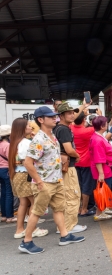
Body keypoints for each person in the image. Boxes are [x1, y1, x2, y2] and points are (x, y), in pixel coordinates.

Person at [20, 106, 85, 254]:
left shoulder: (52, 136)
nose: (54, 118)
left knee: (59, 209)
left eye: (54, 116)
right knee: (37, 211)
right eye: (50, 117)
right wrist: (39, 181)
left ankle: (64, 235)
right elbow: (28, 163)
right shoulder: (39, 139)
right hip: (45, 182)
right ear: (41, 120)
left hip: (56, 180)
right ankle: (26, 241)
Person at [8, 118, 48, 238]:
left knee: (23, 203)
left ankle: (19, 230)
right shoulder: (25, 142)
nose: (31, 128)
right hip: (26, 175)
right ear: (22, 128)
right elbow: (31, 159)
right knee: (34, 203)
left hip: (17, 175)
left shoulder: (15, 142)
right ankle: (33, 229)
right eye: (28, 126)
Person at [54, 103, 88, 233]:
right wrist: (77, 155)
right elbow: (68, 149)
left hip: (61, 167)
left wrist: (84, 105)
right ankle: (69, 226)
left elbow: (74, 114)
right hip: (68, 166)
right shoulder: (64, 130)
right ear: (61, 115)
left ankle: (63, 225)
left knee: (64, 196)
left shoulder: (58, 128)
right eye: (69, 113)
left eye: (73, 112)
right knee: (72, 195)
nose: (72, 115)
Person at [71, 109, 100, 217]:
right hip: (86, 161)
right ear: (84, 120)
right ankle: (84, 209)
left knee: (78, 186)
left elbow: (73, 121)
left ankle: (78, 208)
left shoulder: (71, 128)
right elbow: (99, 126)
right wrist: (99, 115)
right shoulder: (87, 131)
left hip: (75, 161)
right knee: (87, 186)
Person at [89, 116, 112, 222]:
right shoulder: (97, 139)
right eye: (106, 123)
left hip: (104, 167)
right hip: (102, 168)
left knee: (104, 189)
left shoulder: (98, 136)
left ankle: (102, 209)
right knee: (102, 189)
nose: (107, 124)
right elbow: (98, 158)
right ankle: (99, 212)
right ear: (102, 126)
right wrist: (101, 173)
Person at [0, 125, 15, 223]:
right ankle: (10, 216)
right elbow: (11, 159)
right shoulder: (8, 145)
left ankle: (4, 215)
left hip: (0, 169)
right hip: (6, 169)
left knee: (3, 192)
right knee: (9, 193)